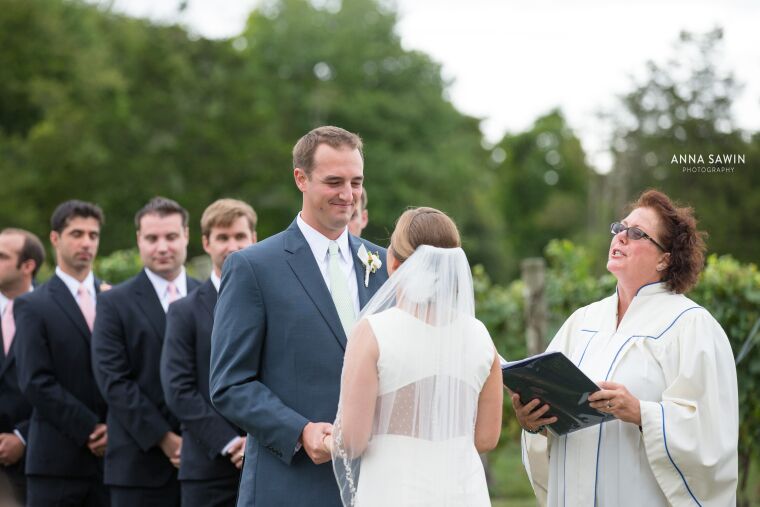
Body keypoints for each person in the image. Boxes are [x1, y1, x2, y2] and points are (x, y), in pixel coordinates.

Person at [515, 189, 738, 506]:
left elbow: (710, 435)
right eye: (619, 228)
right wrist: (533, 422)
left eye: (636, 234)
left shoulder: (690, 326)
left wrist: (642, 413)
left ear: (665, 258)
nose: (620, 237)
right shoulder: (582, 322)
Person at [210, 126, 389, 506]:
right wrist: (299, 431)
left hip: (377, 480)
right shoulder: (254, 267)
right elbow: (230, 383)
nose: (348, 195)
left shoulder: (384, 264)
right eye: (334, 181)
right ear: (301, 179)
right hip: (290, 484)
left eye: (356, 182)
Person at [326, 207, 503, 506]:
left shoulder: (372, 332)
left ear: (393, 263)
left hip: (393, 491)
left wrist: (325, 439)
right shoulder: (480, 336)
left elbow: (353, 441)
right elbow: (486, 438)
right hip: (464, 493)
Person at [92, 197, 200, 507]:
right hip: (138, 465)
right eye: (152, 238)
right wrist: (165, 440)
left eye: (171, 237)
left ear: (186, 236)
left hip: (206, 464)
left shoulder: (208, 297)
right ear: (139, 239)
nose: (162, 247)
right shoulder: (114, 303)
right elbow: (113, 380)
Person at [160, 199, 257, 507]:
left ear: (253, 238)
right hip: (206, 467)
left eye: (240, 236)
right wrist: (230, 443)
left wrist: (258, 440)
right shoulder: (183, 312)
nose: (232, 245)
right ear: (206, 243)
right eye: (223, 237)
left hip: (267, 461)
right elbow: (178, 389)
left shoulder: (273, 303)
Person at [14, 202, 109, 506]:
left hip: (113, 464)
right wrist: (90, 428)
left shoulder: (115, 299)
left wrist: (115, 429)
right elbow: (34, 380)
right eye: (76, 233)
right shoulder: (32, 305)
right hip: (56, 463)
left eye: (93, 235)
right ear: (55, 239)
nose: (86, 243)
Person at [0, 228, 44, 505]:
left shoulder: (52, 310)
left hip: (38, 458)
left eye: (2, 256)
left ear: (27, 266)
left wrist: (22, 437)